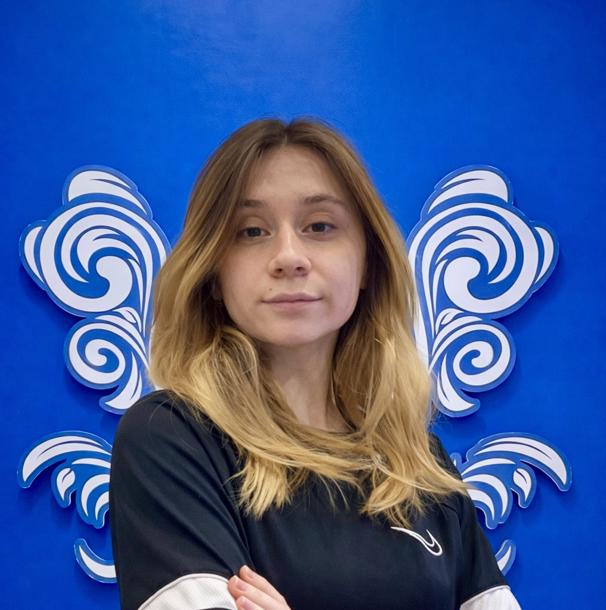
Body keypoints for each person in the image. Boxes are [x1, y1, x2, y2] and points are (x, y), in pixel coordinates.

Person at [109, 118, 521, 610]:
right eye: (251, 231)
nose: (288, 256)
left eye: (320, 226)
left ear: (368, 262)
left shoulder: (417, 461)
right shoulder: (171, 438)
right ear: (213, 272)